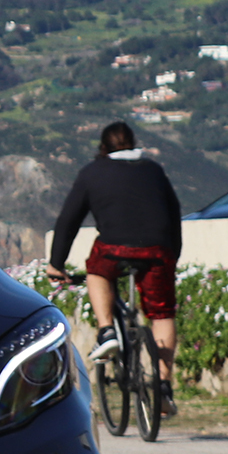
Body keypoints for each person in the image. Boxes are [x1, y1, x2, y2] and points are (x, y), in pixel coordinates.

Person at [48, 121, 184, 418]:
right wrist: (172, 255)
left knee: (97, 270)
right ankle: (163, 387)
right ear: (133, 144)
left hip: (114, 248)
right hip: (158, 249)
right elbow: (174, 215)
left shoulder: (91, 173)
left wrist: (56, 263)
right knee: (161, 313)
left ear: (103, 148)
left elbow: (68, 220)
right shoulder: (153, 170)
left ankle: (107, 329)